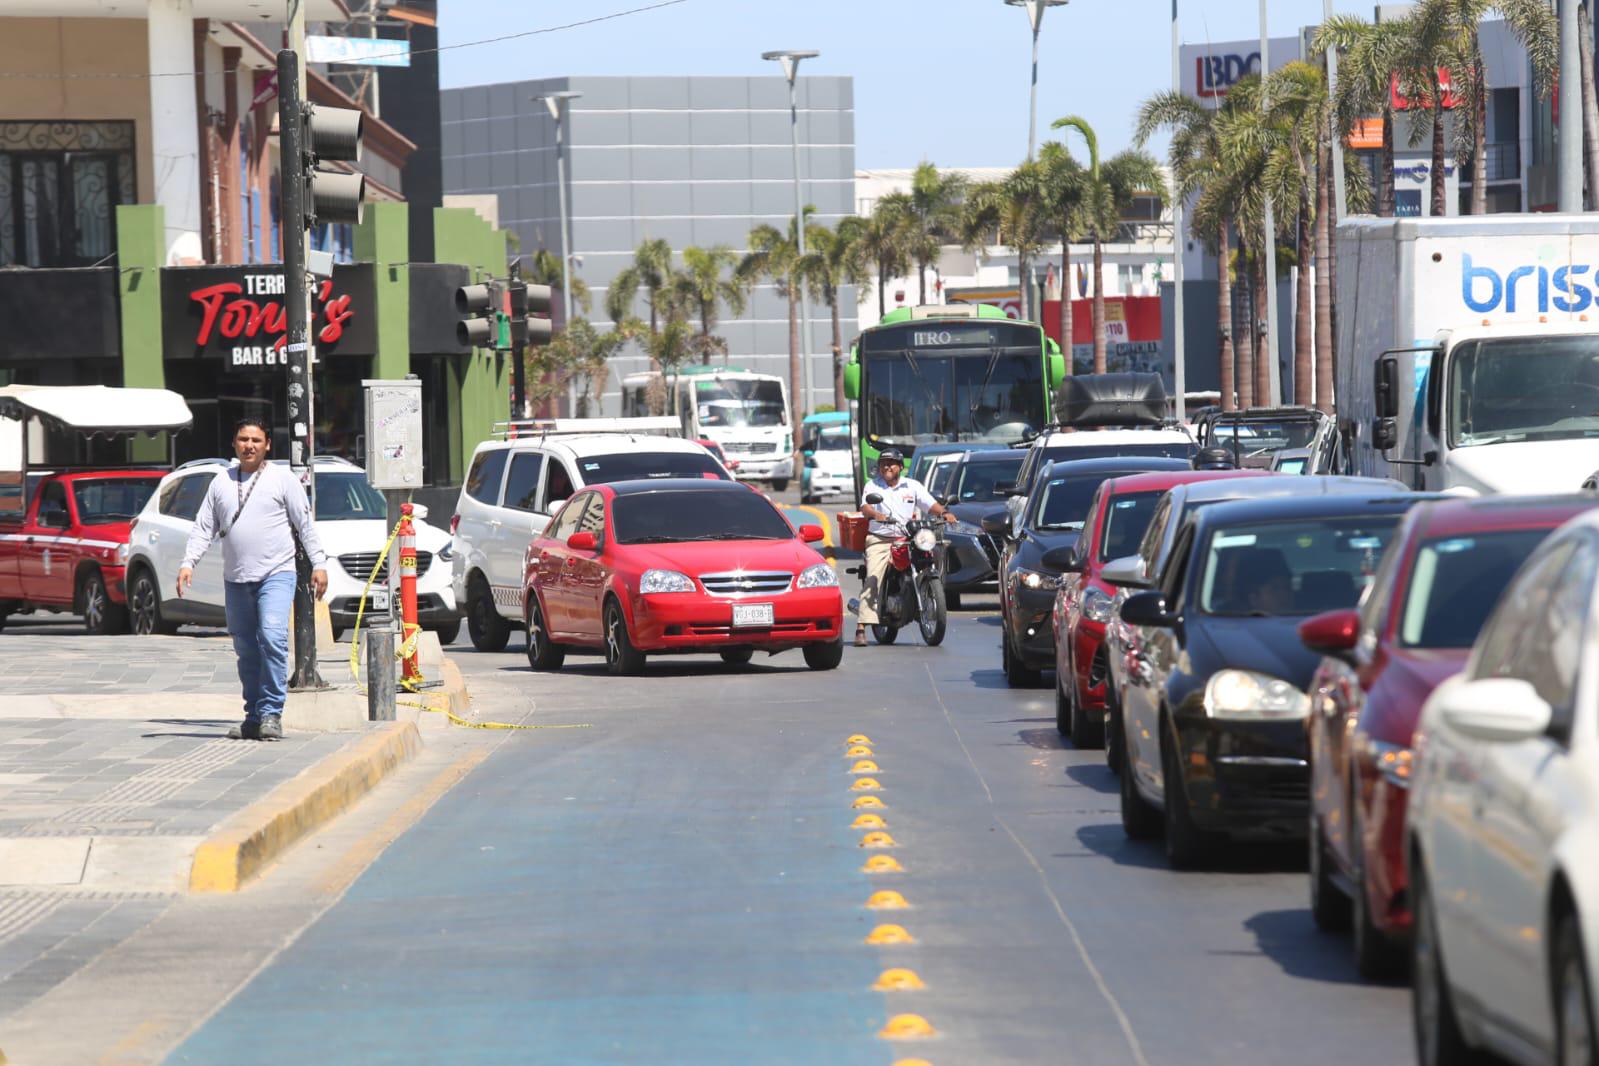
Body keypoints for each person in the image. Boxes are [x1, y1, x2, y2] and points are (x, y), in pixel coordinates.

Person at [178, 418, 329, 741]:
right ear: (234, 443)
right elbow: (204, 526)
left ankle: (272, 713)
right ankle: (253, 715)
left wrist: (319, 563)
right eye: (243, 439)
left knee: (272, 638)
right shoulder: (221, 482)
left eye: (256, 440)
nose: (249, 445)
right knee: (246, 649)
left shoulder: (281, 479)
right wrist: (188, 563)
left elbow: (304, 524)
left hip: (277, 574)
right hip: (236, 580)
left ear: (267, 445)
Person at [855, 448, 955, 646]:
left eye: (892, 463)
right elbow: (865, 507)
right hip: (880, 539)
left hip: (907, 538)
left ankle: (925, 595)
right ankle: (861, 627)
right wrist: (876, 515)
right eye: (883, 463)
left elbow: (930, 504)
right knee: (873, 578)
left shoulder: (912, 486)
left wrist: (944, 513)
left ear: (900, 466)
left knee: (930, 556)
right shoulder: (873, 486)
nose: (887, 467)